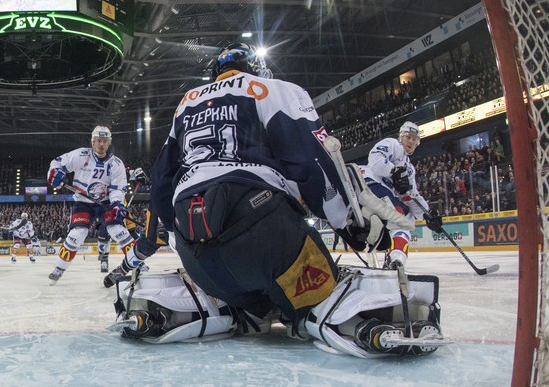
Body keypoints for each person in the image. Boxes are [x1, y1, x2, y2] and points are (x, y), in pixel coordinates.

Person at [108, 43, 443, 356]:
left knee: (253, 302)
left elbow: (161, 182)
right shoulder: (271, 89)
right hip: (264, 231)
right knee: (318, 294)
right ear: (255, 68)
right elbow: (312, 160)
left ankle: (215, 309)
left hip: (198, 252)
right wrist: (347, 223)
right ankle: (355, 320)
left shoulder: (187, 103)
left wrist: (175, 236)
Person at [46, 125, 136, 284]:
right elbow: (57, 163)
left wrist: (116, 204)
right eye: (98, 141)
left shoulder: (116, 164)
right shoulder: (81, 155)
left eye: (105, 141)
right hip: (83, 202)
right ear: (93, 142)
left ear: (109, 142)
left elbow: (118, 188)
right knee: (77, 234)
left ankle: (137, 264)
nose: (101, 144)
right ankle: (59, 268)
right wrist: (54, 174)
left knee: (118, 231)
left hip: (106, 203)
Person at [363, 121, 444, 269]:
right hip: (370, 185)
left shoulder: (410, 170)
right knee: (402, 220)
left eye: (415, 139)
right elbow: (375, 159)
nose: (411, 141)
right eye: (409, 137)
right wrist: (394, 172)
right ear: (401, 136)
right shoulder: (393, 144)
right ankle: (396, 258)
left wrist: (427, 214)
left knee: (407, 217)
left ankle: (395, 258)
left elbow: (410, 196)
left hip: (383, 195)